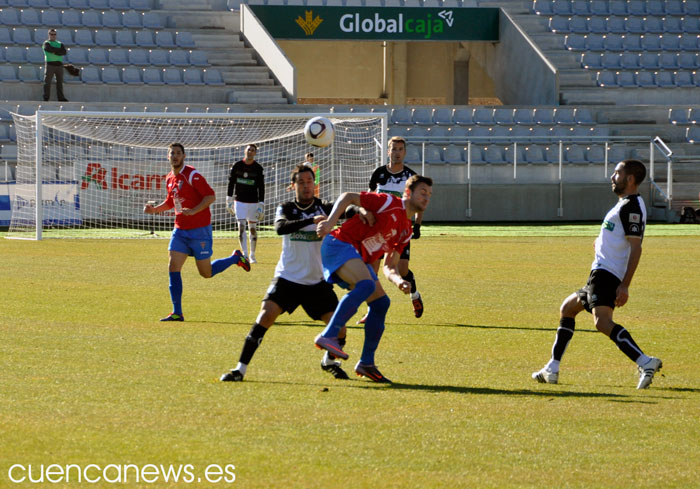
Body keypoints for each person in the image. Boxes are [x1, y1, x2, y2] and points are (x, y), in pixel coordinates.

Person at [220, 165, 373, 382]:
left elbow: (348, 209)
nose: (306, 186)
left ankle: (329, 362)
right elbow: (280, 228)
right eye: (300, 182)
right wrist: (312, 221)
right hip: (287, 278)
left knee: (340, 331)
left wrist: (361, 210)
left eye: (309, 181)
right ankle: (239, 370)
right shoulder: (287, 207)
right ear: (293, 186)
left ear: (315, 184)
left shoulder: (325, 207)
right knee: (265, 316)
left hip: (317, 282)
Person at [532, 159, 662, 389]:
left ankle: (645, 361)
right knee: (568, 308)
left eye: (617, 173)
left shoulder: (631, 206)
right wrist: (600, 241)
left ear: (630, 179)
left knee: (602, 322)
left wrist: (625, 285)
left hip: (607, 274)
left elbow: (636, 246)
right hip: (600, 273)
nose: (613, 177)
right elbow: (618, 236)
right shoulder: (624, 204)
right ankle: (552, 367)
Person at [314, 174, 433, 383]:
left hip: (354, 257)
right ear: (408, 192)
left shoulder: (405, 231)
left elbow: (389, 266)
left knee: (381, 303)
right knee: (367, 284)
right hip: (338, 244)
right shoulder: (388, 202)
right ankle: (329, 335)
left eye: (429, 194)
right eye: (423, 192)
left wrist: (399, 282)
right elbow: (348, 196)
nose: (426, 197)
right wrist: (330, 222)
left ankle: (366, 363)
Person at [144, 143, 251, 322]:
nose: (175, 156)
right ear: (167, 157)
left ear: (184, 156)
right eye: (172, 153)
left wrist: (193, 211)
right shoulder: (170, 178)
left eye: (178, 153)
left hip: (199, 230)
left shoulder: (192, 174)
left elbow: (211, 196)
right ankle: (177, 312)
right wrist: (155, 210)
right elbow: (171, 201)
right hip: (180, 230)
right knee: (173, 266)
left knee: (206, 272)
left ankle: (235, 258)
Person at [358, 136, 425, 323]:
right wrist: (365, 213)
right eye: (393, 149)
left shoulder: (411, 178)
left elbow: (419, 203)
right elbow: (368, 198)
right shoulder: (378, 174)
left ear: (404, 152)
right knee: (372, 271)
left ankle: (414, 295)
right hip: (378, 231)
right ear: (388, 151)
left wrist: (417, 225)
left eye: (400, 149)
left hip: (400, 231)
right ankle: (371, 310)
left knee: (402, 270)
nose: (397, 152)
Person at [226, 144, 265, 263]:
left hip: (253, 202)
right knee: (241, 227)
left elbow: (261, 186)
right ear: (245, 151)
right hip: (240, 202)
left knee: (252, 228)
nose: (250, 152)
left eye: (253, 150)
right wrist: (229, 198)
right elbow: (231, 182)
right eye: (249, 149)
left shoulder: (258, 168)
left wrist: (261, 203)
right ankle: (245, 254)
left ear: (255, 153)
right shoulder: (237, 166)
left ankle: (252, 255)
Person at [42, 29, 68, 102]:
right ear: (49, 35)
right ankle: (46, 97)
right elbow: (48, 49)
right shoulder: (46, 43)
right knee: (47, 82)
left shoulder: (60, 43)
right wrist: (58, 51)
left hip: (59, 65)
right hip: (50, 64)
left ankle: (61, 97)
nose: (53, 36)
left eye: (54, 34)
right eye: (51, 34)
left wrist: (54, 51)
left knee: (59, 82)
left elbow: (64, 52)